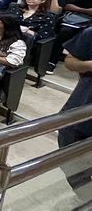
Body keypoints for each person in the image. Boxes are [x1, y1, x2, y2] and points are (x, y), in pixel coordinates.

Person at [57, 27, 92, 202]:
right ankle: (86, 196)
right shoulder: (90, 33)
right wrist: (89, 65)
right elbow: (70, 61)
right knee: (68, 151)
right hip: (84, 102)